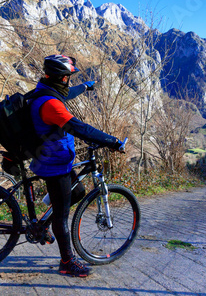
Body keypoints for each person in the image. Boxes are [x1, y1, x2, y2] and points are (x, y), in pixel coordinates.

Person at [29, 54, 124, 277]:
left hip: (55, 158)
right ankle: (67, 262)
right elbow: (79, 128)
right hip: (54, 164)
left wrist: (85, 87)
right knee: (62, 216)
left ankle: (44, 222)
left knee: (78, 191)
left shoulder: (45, 90)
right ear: (62, 78)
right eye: (68, 78)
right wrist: (112, 142)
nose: (69, 82)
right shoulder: (51, 104)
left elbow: (67, 95)